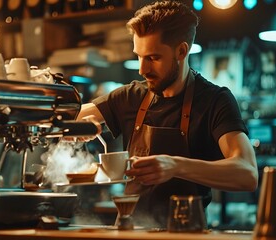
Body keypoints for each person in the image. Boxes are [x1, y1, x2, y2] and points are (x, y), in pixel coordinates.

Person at [76, 0, 258, 227]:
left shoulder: (214, 100)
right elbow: (71, 118)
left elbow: (247, 173)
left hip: (186, 231)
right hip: (130, 230)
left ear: (182, 51)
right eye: (139, 56)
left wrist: (176, 166)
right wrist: (80, 127)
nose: (143, 69)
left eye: (153, 58)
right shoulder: (132, 96)